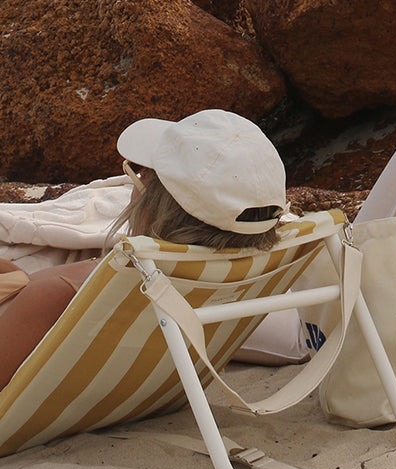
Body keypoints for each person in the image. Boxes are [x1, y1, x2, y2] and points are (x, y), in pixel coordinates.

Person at [0, 109, 288, 390]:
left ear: (156, 206)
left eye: (140, 174)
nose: (132, 185)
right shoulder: (234, 288)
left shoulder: (59, 296)